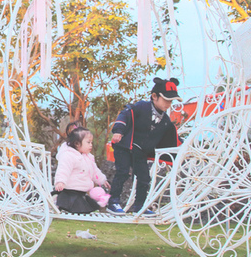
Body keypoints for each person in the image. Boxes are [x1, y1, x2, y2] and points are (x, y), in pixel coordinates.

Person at [106, 77, 181, 216]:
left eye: (170, 101)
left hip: (140, 151)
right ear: (154, 96)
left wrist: (185, 148)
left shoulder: (165, 120)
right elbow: (125, 115)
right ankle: (113, 202)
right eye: (166, 99)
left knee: (144, 178)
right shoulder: (141, 107)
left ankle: (139, 206)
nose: (168, 104)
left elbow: (173, 138)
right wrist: (118, 131)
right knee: (122, 172)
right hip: (125, 146)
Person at [54, 127, 111, 214]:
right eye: (88, 142)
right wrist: (60, 181)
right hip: (70, 192)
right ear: (77, 144)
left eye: (91, 142)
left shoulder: (88, 157)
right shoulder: (69, 156)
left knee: (87, 207)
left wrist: (102, 180)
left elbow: (95, 171)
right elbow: (63, 169)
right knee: (77, 208)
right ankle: (59, 202)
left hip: (81, 193)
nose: (91, 145)